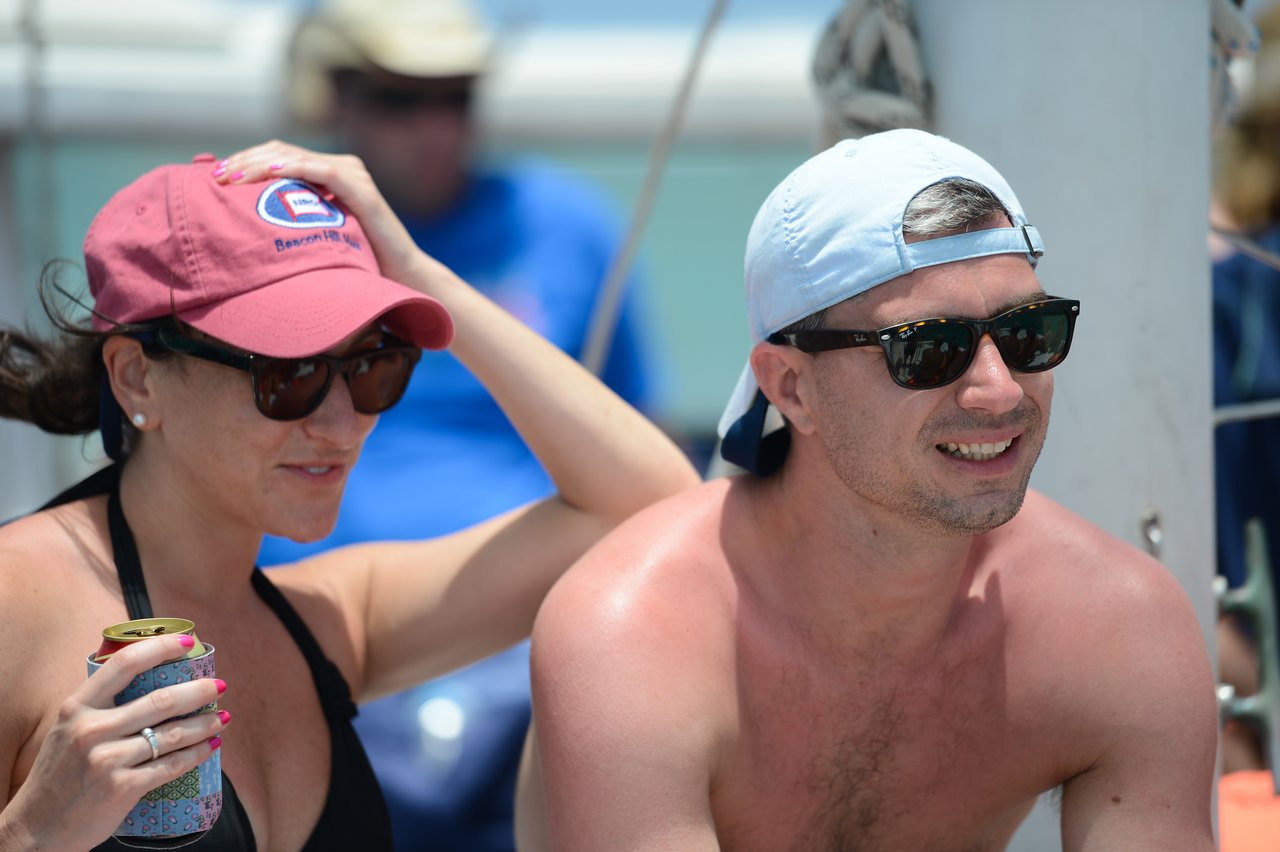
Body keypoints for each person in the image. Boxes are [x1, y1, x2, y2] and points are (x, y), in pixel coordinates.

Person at [516, 128, 1218, 850]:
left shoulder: (1118, 627)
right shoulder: (636, 638)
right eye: (927, 348)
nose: (1000, 389)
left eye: (1027, 332)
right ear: (791, 387)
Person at [0, 139, 698, 852]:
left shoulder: (327, 629)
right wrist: (31, 833)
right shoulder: (16, 606)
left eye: (372, 367)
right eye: (288, 375)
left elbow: (646, 511)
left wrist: (421, 275)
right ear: (137, 378)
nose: (343, 425)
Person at [266, 3, 665, 846]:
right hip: (314, 639)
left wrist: (414, 272)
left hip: (530, 641)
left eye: (458, 97)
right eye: (401, 98)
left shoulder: (568, 226)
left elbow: (643, 458)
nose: (437, 127)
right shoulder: (277, 236)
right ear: (335, 97)